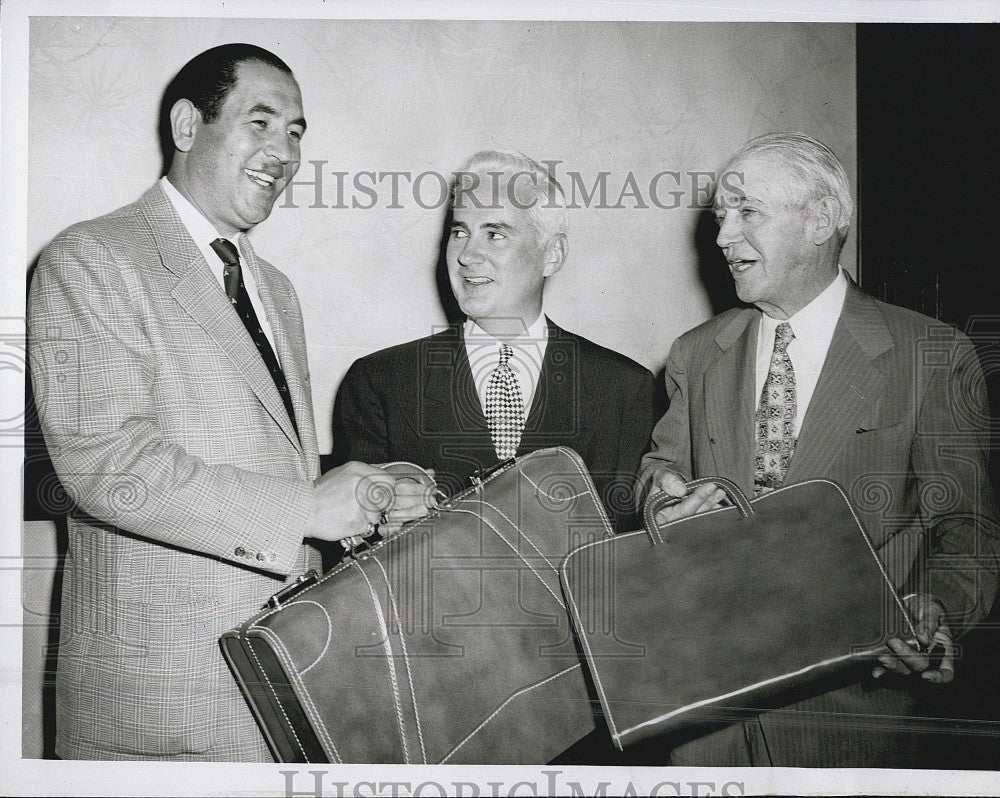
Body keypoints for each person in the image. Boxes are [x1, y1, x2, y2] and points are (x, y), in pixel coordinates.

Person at [27, 43, 430, 761]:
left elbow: (280, 470)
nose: (284, 152)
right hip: (161, 713)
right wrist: (307, 508)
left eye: (297, 132)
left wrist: (365, 499)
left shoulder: (276, 288)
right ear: (188, 126)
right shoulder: (89, 259)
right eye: (261, 122)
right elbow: (106, 463)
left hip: (284, 691)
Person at [636, 132, 1000, 766]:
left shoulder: (930, 355)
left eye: (747, 211)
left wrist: (937, 604)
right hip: (708, 717)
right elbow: (660, 467)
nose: (723, 236)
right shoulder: (696, 354)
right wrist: (661, 500)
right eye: (722, 215)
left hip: (859, 717)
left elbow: (966, 528)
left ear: (823, 219)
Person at [331, 150, 656, 530]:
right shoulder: (379, 382)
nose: (467, 255)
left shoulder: (623, 388)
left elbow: (624, 553)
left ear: (552, 255)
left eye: (495, 233)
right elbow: (354, 544)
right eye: (459, 232)